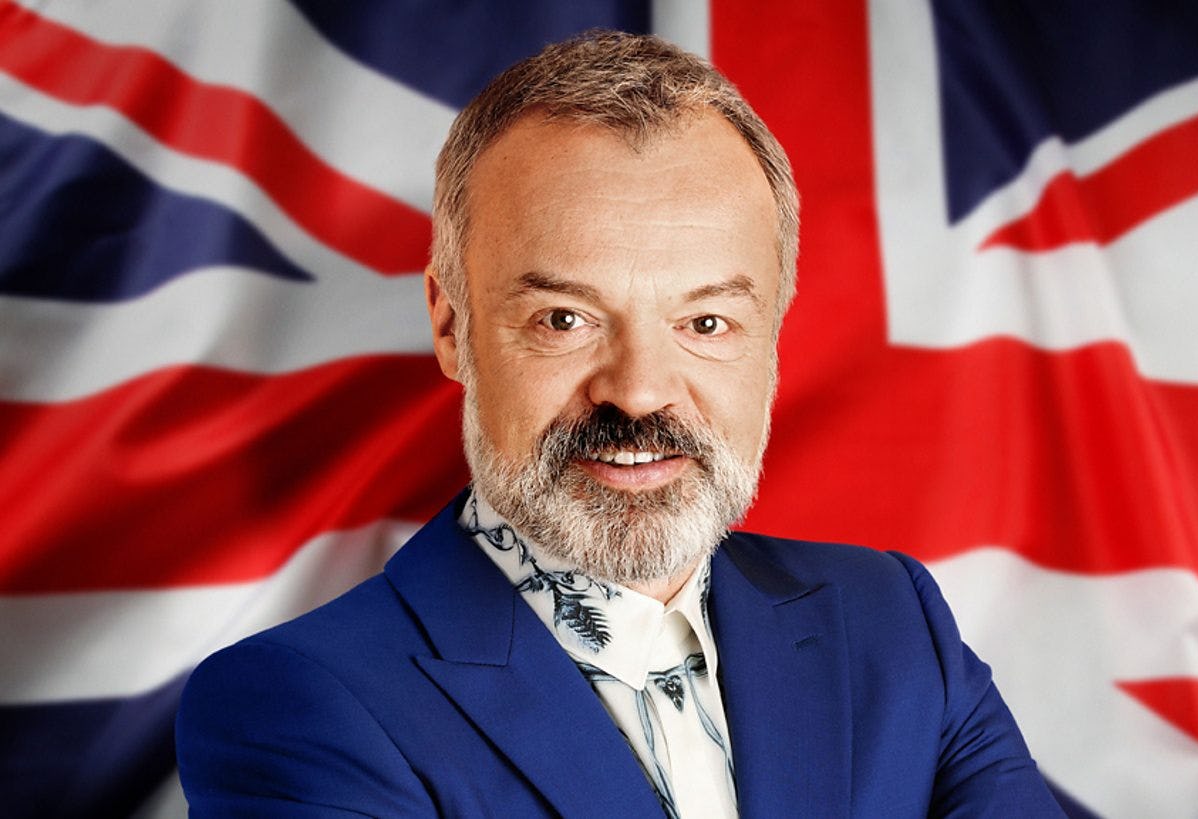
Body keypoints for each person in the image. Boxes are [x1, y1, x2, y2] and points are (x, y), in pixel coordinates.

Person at [175, 30, 1063, 818]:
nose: (639, 393)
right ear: (453, 327)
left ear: (773, 335)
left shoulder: (894, 625)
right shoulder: (300, 702)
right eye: (566, 318)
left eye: (705, 323)